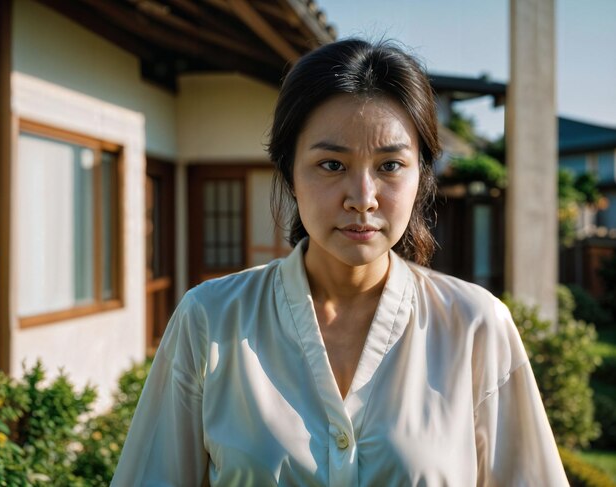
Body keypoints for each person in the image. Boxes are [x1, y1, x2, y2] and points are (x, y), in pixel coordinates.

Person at [111, 39, 568, 486]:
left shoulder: (474, 325)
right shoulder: (211, 319)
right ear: (290, 173)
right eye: (332, 165)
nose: (363, 199)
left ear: (421, 177)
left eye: (390, 166)